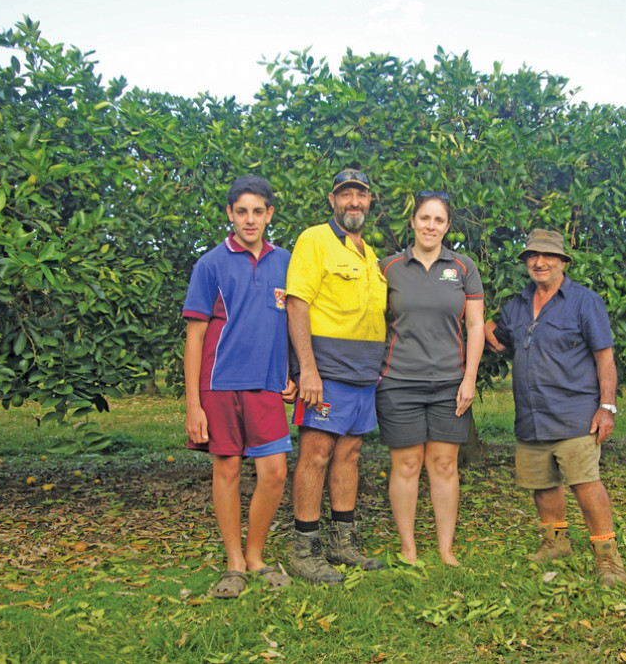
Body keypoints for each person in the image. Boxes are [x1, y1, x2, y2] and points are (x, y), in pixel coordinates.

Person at [485, 228, 626, 586]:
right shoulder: (518, 304)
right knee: (542, 482)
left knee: (585, 484)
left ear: (563, 261)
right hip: (531, 416)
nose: (539, 262)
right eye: (533, 256)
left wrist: (606, 406)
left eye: (548, 256)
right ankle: (556, 542)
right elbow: (499, 341)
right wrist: (476, 318)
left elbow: (604, 357)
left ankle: (607, 556)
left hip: (575, 414)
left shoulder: (584, 301)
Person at [182, 175, 297, 598]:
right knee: (227, 469)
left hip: (267, 385)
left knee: (274, 473)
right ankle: (234, 562)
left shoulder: (286, 261)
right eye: (241, 211)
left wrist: (294, 374)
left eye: (258, 211)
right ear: (230, 214)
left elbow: (294, 321)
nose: (250, 219)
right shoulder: (210, 264)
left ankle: (256, 554)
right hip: (219, 384)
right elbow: (194, 337)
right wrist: (193, 405)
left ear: (269, 214)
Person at [285, 168, 388, 585]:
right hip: (326, 373)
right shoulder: (314, 239)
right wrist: (307, 369)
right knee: (316, 455)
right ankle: (303, 550)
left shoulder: (370, 253)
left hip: (364, 375)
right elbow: (297, 303)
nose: (354, 203)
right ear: (333, 200)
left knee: (349, 456)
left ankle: (342, 542)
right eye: (346, 195)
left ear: (369, 202)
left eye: (360, 196)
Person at [377, 191, 485, 566]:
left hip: (448, 384)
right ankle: (408, 548)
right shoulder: (388, 267)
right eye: (425, 218)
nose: (431, 226)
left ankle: (445, 548)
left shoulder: (463, 266)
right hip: (398, 382)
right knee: (405, 466)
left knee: (444, 465)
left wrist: (469, 378)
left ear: (447, 226)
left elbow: (475, 324)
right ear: (413, 222)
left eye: (438, 220)